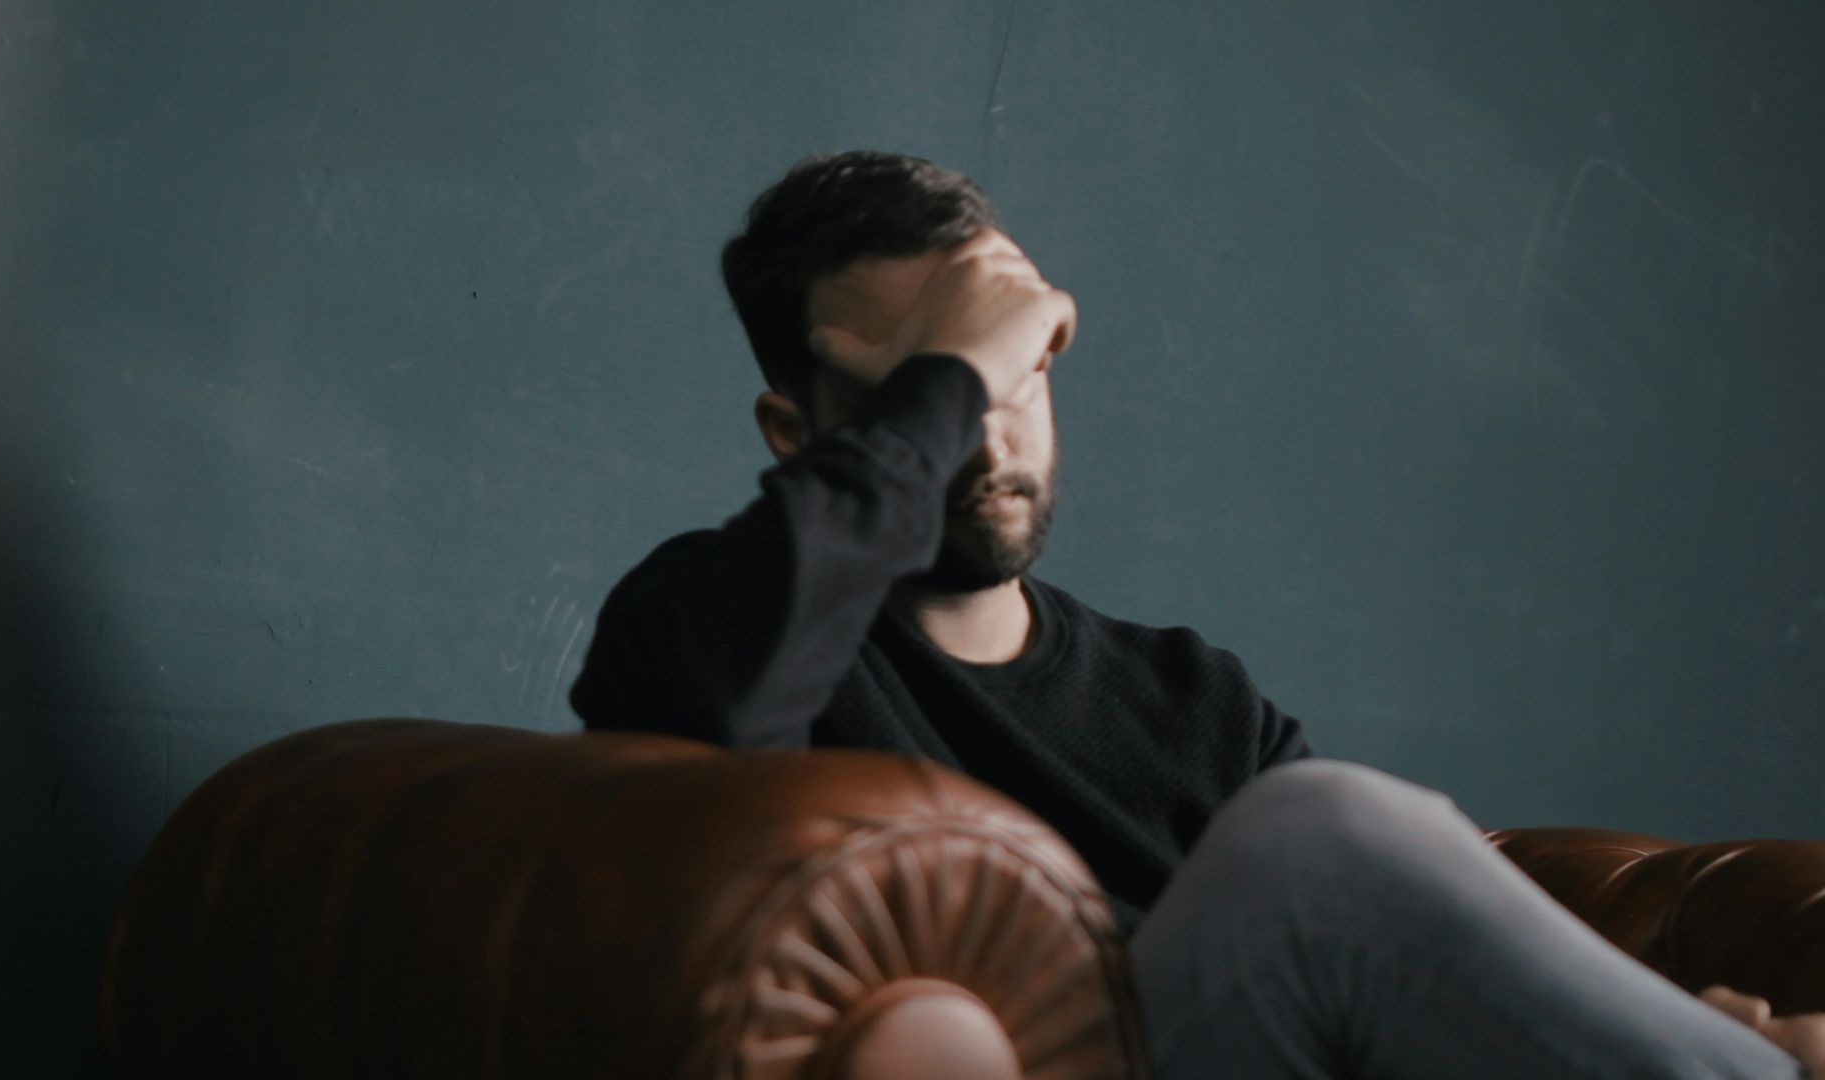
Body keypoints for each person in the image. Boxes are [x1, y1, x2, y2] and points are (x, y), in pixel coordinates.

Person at [568, 150, 1821, 1077]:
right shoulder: (708, 619)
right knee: (1322, 833)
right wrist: (953, 371)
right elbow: (713, 719)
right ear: (798, 433)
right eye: (936, 389)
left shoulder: (1192, 701)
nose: (991, 429)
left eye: (1019, 372)